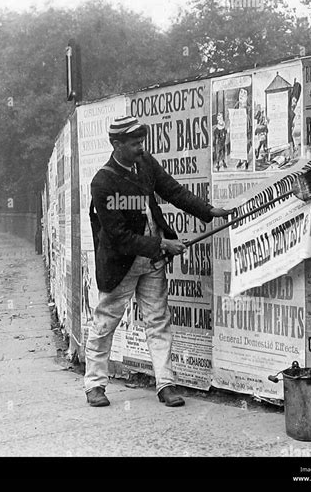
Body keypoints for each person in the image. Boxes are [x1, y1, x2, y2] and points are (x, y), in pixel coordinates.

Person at [85, 115, 232, 408]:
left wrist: (209, 210)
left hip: (151, 261)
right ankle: (94, 385)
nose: (141, 147)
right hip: (120, 264)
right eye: (134, 143)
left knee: (158, 321)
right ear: (116, 145)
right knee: (105, 324)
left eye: (142, 142)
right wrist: (163, 243)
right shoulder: (102, 182)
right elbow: (118, 236)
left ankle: (165, 384)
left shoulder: (145, 164)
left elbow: (173, 191)